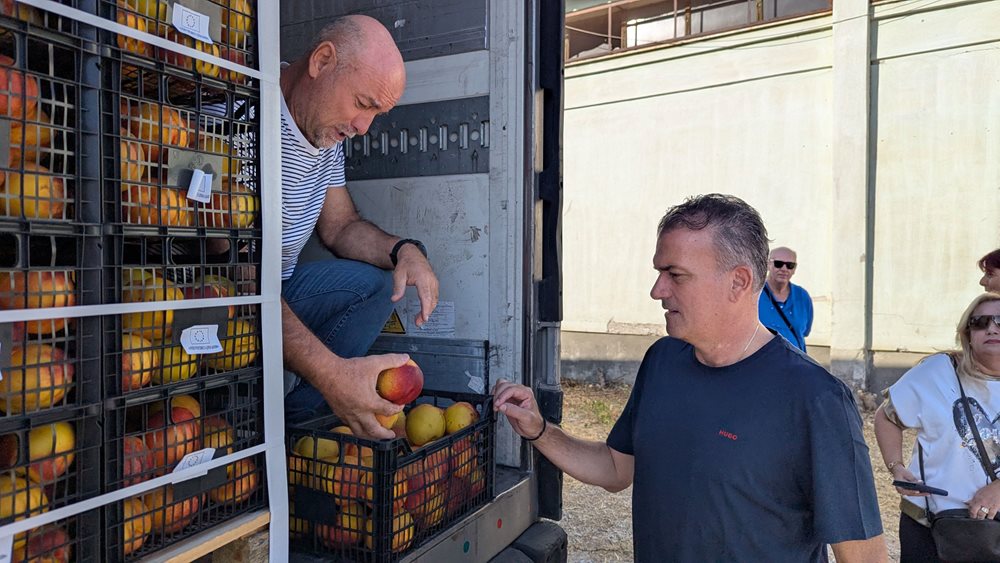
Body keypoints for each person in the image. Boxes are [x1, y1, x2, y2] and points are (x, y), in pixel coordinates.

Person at [494, 194, 887, 561]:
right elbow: (615, 469)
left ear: (739, 282)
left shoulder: (817, 398)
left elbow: (862, 554)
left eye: (675, 275)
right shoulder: (663, 361)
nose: (656, 290)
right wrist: (538, 429)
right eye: (659, 272)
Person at [278, 16, 440, 437]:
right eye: (363, 104)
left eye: (376, 114)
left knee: (381, 284)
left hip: (278, 286)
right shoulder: (246, 113)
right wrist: (332, 373)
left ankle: (294, 421)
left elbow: (341, 226)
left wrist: (405, 250)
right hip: (221, 294)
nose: (362, 128)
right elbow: (238, 283)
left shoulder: (322, 129)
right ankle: (312, 397)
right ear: (322, 61)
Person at [873, 292, 1000, 562]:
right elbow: (887, 417)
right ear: (967, 332)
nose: (991, 328)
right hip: (929, 523)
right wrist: (896, 466)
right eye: (980, 322)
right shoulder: (937, 372)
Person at [758, 246, 813, 351]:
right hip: (763, 364)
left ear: (794, 269)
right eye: (778, 264)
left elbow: (805, 331)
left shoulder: (803, 296)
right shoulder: (754, 294)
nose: (784, 269)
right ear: (768, 264)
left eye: (790, 265)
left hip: (796, 364)